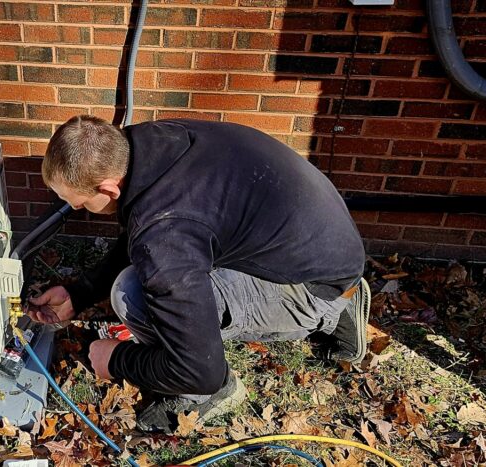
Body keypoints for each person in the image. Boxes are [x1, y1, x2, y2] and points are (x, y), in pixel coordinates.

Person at [28, 115, 368, 433]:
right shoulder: (152, 143)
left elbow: (197, 368)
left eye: (80, 202)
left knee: (131, 292)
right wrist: (81, 293)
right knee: (165, 268)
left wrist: (117, 359)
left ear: (108, 190)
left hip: (313, 286)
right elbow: (149, 226)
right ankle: (342, 301)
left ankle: (216, 393)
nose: (74, 208)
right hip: (328, 248)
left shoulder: (166, 234)